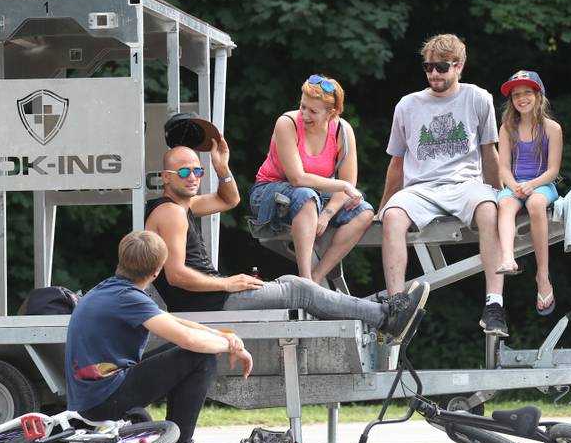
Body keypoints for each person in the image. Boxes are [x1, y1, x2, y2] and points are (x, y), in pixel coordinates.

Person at [144, 115, 429, 345]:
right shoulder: (170, 213)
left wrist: (221, 168)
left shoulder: (182, 206)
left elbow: (228, 199)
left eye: (198, 171)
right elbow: (177, 275)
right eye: (184, 172)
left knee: (294, 283)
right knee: (299, 290)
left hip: (212, 297)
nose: (193, 177)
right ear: (166, 179)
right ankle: (385, 316)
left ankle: (383, 314)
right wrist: (228, 283)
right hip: (207, 303)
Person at [65, 230, 254, 443]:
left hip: (91, 395)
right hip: (103, 399)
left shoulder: (108, 290)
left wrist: (224, 336)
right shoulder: (130, 298)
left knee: (187, 348)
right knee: (201, 356)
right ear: (157, 272)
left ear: (121, 261)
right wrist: (230, 347)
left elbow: (176, 323)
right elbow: (189, 340)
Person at [378, 34, 507, 335]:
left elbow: (489, 152)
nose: (434, 74)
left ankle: (494, 305)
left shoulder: (477, 98)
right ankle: (398, 305)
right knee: (393, 217)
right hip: (421, 187)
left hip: (464, 184)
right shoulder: (408, 105)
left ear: (459, 65)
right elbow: (397, 162)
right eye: (428, 67)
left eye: (441, 67)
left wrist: (500, 194)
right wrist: (384, 205)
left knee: (490, 209)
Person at [250, 75, 374, 284]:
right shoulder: (287, 123)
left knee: (364, 212)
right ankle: (305, 279)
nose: (305, 115)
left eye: (313, 111)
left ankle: (316, 278)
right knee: (306, 196)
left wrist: (326, 215)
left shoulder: (342, 131)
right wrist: (343, 186)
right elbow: (297, 178)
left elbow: (349, 182)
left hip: (317, 196)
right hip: (271, 191)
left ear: (331, 113)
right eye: (303, 107)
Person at [495, 70, 563, 316]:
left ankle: (542, 275)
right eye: (516, 95)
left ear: (538, 95)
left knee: (535, 204)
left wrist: (532, 185)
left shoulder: (552, 128)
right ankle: (507, 257)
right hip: (514, 184)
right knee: (504, 205)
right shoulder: (507, 128)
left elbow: (553, 170)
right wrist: (512, 185)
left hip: (541, 184)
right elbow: (503, 166)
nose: (521, 98)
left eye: (526, 93)